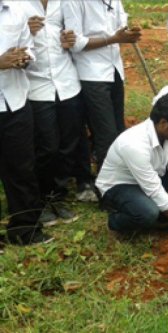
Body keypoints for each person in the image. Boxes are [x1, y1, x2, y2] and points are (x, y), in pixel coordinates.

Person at [95, 92, 168, 242]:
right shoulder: (134, 144)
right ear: (163, 123)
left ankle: (162, 217)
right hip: (120, 186)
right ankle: (116, 222)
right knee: (148, 212)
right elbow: (154, 190)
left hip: (151, 177)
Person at [24, 0, 88, 226]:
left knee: (68, 144)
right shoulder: (18, 5)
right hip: (37, 85)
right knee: (46, 147)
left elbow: (77, 35)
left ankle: (58, 197)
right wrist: (25, 32)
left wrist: (72, 39)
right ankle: (42, 199)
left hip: (67, 82)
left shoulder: (64, 3)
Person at [62, 0, 141, 170]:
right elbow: (75, 43)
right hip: (92, 74)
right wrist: (113, 39)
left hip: (115, 69)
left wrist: (130, 33)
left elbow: (121, 27)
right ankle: (107, 184)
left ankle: (120, 175)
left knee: (119, 128)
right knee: (106, 133)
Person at [0, 0, 53, 245]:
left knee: (22, 167)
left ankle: (25, 230)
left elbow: (29, 47)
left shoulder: (16, 9)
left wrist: (24, 57)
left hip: (15, 100)